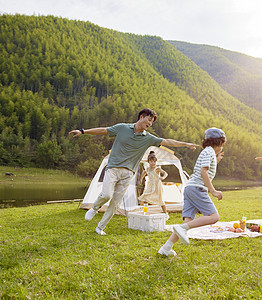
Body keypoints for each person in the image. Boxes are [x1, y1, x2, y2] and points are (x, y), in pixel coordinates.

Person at [69, 108, 198, 235]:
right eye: (149, 120)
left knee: (115, 204)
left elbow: (168, 141)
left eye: (152, 122)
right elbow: (103, 130)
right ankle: (94, 208)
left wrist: (186, 144)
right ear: (141, 117)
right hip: (113, 168)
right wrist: (83, 131)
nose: (150, 124)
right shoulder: (122, 128)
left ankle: (100, 228)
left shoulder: (148, 138)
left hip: (128, 173)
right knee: (106, 195)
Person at [158, 127, 226, 256]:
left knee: (188, 220)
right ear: (219, 142)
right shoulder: (209, 152)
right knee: (214, 217)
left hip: (190, 188)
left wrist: (217, 160)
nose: (222, 148)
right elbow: (203, 171)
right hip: (197, 188)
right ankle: (182, 229)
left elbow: (206, 167)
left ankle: (166, 248)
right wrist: (213, 190)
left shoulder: (208, 152)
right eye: (222, 145)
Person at [138, 151, 169, 216]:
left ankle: (166, 213)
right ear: (148, 162)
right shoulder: (148, 169)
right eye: (151, 161)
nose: (153, 163)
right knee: (145, 197)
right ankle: (145, 212)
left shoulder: (157, 169)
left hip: (157, 186)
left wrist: (163, 177)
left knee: (161, 200)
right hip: (150, 185)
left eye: (154, 161)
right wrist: (141, 179)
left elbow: (165, 173)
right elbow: (143, 173)